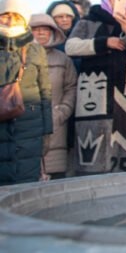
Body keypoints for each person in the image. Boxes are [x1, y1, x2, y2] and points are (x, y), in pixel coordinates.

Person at [66, 0, 126, 174]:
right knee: (91, 149)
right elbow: (70, 47)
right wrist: (105, 42)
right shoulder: (89, 21)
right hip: (93, 94)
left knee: (124, 150)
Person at [0, 0, 52, 185]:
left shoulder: (36, 51)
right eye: (5, 16)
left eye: (16, 17)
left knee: (26, 184)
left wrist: (47, 131)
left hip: (29, 127)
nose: (10, 21)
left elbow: (45, 92)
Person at [30, 14, 77, 179]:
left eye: (45, 29)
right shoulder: (21, 57)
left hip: (57, 124)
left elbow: (71, 87)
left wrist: (62, 111)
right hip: (27, 122)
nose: (41, 33)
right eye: (36, 30)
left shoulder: (63, 59)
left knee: (55, 178)